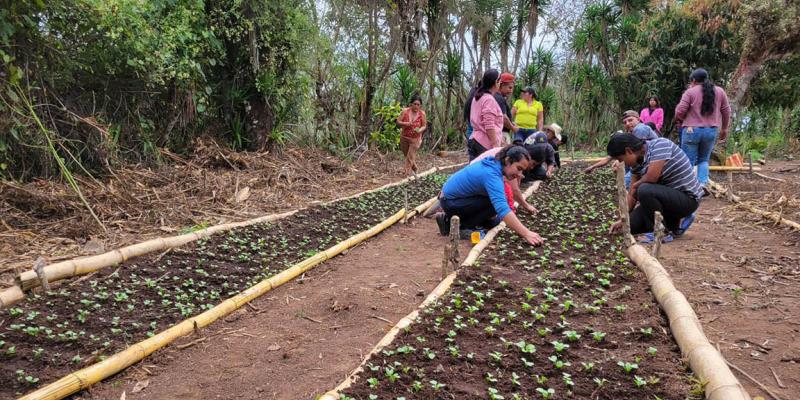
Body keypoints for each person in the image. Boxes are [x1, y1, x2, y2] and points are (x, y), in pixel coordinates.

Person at [437, 145, 544, 246]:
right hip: (450, 202)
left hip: (453, 200)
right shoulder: (491, 174)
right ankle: (461, 227)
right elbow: (502, 208)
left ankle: (450, 220)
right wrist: (526, 233)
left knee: (494, 220)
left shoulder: (494, 165)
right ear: (507, 160)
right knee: (494, 205)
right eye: (519, 168)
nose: (520, 175)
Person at [607, 134, 703, 242]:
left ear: (629, 151)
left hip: (687, 199)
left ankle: (662, 233)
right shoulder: (636, 164)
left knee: (644, 189)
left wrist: (635, 186)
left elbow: (651, 177)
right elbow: (632, 194)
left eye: (620, 159)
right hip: (666, 202)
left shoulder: (660, 145)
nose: (621, 163)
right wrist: (623, 220)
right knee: (629, 227)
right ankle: (674, 225)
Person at [674, 68, 731, 186]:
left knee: (687, 161)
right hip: (711, 130)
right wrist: (724, 128)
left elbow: (679, 111)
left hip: (691, 130)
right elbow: (726, 111)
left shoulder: (690, 92)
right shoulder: (720, 91)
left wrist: (681, 120)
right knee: (704, 160)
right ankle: (702, 185)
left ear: (693, 80)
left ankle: (688, 186)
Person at [472, 144, 547, 214]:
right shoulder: (512, 160)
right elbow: (514, 190)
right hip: (475, 185)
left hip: (477, 179)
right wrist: (527, 206)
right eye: (533, 163)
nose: (532, 167)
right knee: (498, 203)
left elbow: (516, 186)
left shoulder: (516, 156)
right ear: (529, 157)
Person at [584, 111, 657, 174]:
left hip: (654, 161)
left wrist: (618, 161)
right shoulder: (630, 135)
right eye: (625, 122)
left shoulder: (640, 129)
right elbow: (609, 157)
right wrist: (593, 167)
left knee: (629, 179)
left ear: (638, 119)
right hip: (645, 163)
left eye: (630, 120)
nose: (627, 124)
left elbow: (633, 152)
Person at [467, 69, 504, 161]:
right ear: (496, 82)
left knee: (474, 169)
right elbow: (489, 125)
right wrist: (495, 145)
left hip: (474, 138)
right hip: (484, 143)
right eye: (500, 81)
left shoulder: (478, 97)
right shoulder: (489, 100)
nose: (500, 83)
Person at [396, 94, 427, 175]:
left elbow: (424, 125)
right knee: (406, 154)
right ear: (411, 104)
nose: (416, 106)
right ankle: (415, 168)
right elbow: (398, 121)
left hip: (415, 139)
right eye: (415, 104)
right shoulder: (405, 111)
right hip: (404, 137)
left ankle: (406, 173)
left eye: (418, 104)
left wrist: (420, 130)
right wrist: (405, 123)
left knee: (410, 156)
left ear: (420, 105)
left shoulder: (422, 114)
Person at [495, 72, 518, 143]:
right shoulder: (499, 98)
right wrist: (513, 128)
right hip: (502, 134)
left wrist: (511, 122)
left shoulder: (497, 97)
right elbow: (503, 118)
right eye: (509, 87)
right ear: (502, 85)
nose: (511, 91)